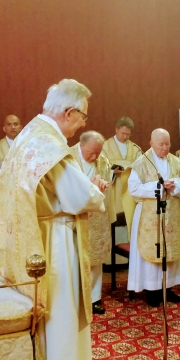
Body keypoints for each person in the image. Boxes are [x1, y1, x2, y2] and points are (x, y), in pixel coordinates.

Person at [0, 79, 107, 360]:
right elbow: (78, 197)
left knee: (49, 321)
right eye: (83, 116)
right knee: (62, 321)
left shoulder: (29, 135)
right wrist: (96, 191)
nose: (83, 123)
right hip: (56, 242)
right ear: (69, 112)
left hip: (36, 238)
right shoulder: (49, 145)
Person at [123, 128, 180, 307]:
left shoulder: (176, 162)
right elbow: (134, 188)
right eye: (161, 144)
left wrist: (174, 184)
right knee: (153, 251)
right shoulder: (141, 163)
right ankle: (152, 290)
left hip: (171, 215)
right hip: (148, 214)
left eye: (167, 144)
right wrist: (159, 187)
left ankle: (168, 288)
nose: (165, 147)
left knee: (170, 251)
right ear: (151, 143)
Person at [70, 130, 113, 315]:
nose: (95, 157)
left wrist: (102, 184)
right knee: (73, 258)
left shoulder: (103, 160)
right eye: (91, 153)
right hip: (74, 216)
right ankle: (74, 298)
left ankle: (95, 298)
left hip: (96, 218)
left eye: (98, 152)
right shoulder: (68, 158)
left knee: (95, 260)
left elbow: (107, 179)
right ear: (81, 145)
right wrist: (90, 185)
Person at [101, 116, 142, 221]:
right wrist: (112, 172)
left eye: (128, 134)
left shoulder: (135, 148)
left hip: (129, 190)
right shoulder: (105, 146)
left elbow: (140, 169)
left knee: (129, 219)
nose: (125, 137)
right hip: (113, 189)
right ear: (116, 130)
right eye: (123, 133)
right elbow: (99, 168)